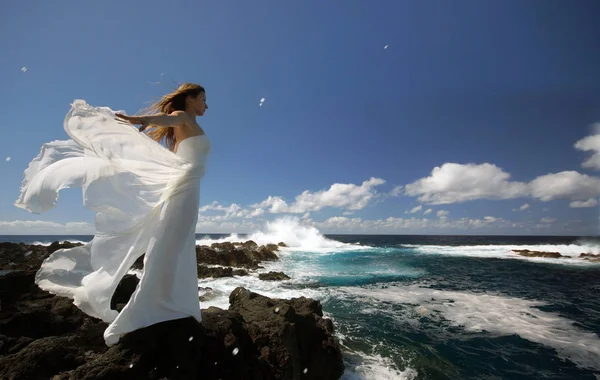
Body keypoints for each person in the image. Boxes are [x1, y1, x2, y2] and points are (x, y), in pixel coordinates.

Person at [15, 83, 211, 346]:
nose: (206, 106)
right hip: (184, 193)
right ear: (189, 99)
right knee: (171, 245)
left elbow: (178, 161)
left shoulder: (186, 129)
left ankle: (175, 304)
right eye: (203, 99)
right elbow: (164, 118)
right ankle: (147, 310)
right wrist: (138, 119)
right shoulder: (182, 117)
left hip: (188, 190)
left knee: (178, 246)